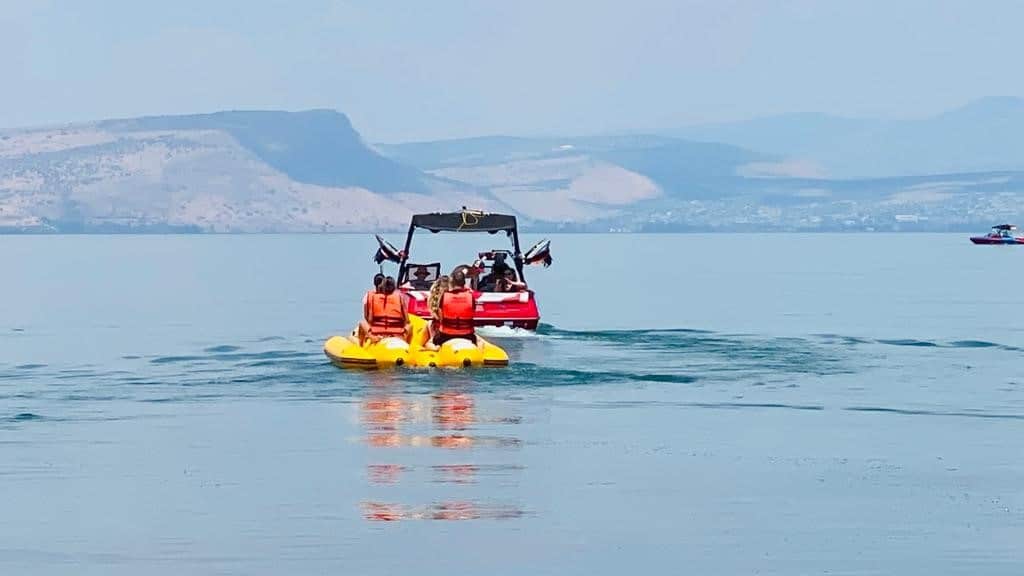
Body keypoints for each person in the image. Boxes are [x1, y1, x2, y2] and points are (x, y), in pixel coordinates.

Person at [431, 269, 477, 348]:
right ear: (464, 283)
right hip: (467, 336)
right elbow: (472, 313)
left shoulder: (445, 296)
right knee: (478, 340)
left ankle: (436, 349)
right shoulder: (470, 296)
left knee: (431, 342)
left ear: (452, 282)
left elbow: (441, 318)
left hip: (446, 336)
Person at [359, 276, 410, 344]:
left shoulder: (374, 298)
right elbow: (407, 320)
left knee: (362, 323)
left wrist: (371, 334)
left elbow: (370, 320)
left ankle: (364, 344)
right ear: (394, 288)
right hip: (397, 335)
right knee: (410, 325)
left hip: (378, 335)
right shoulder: (400, 298)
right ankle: (405, 341)